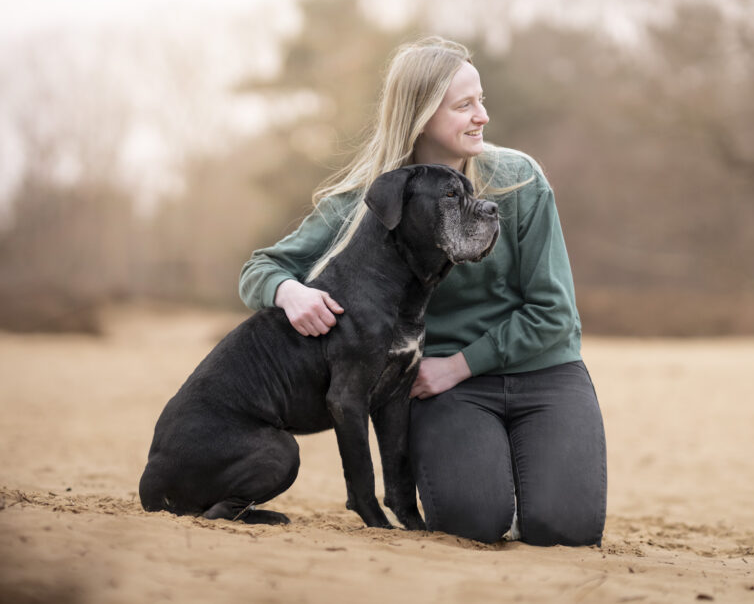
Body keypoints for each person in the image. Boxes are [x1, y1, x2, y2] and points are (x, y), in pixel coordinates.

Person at [238, 36, 606, 546]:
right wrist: (288, 292)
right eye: (464, 105)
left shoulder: (519, 180)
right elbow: (263, 267)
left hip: (541, 372)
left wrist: (458, 364)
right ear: (421, 116)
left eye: (482, 100)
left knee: (566, 528)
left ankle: (538, 486)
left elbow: (555, 314)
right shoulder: (374, 197)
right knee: (474, 523)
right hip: (449, 391)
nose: (482, 116)